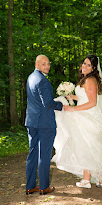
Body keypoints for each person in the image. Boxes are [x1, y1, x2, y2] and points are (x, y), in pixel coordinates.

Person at [52, 54, 102, 188]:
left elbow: (92, 103)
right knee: (87, 148)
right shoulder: (86, 80)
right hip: (84, 116)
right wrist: (72, 96)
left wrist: (73, 109)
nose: (84, 66)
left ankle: (99, 178)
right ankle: (89, 179)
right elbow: (84, 97)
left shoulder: (90, 80)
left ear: (93, 68)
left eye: (88, 65)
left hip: (89, 117)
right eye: (84, 63)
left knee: (91, 148)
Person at [25, 54, 63, 195]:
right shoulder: (43, 81)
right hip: (44, 124)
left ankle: (30, 186)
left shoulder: (30, 78)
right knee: (44, 155)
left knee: (32, 153)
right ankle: (44, 187)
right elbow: (48, 104)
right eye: (43, 64)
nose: (47, 66)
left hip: (31, 122)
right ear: (37, 65)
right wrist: (61, 105)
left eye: (48, 63)